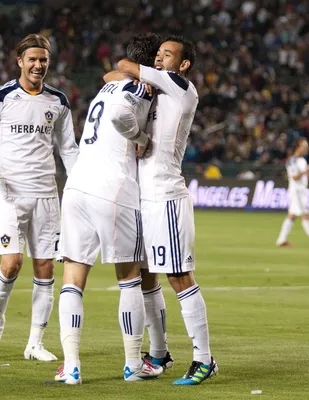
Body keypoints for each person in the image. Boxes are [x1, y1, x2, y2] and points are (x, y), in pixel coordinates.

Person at [54, 33, 164, 386]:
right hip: (114, 188)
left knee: (73, 277)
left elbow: (111, 78)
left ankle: (70, 366)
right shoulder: (142, 88)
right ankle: (133, 363)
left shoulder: (108, 86)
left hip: (76, 187)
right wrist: (143, 140)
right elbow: (121, 117)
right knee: (129, 277)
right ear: (150, 65)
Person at [109, 36, 218, 385]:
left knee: (178, 277)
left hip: (167, 197)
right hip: (144, 197)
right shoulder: (156, 89)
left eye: (166, 54)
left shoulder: (181, 88)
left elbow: (122, 67)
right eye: (157, 54)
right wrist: (136, 81)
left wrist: (136, 74)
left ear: (183, 65)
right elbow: (109, 77)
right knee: (145, 276)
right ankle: (159, 354)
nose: (159, 59)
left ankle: (204, 359)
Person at [0, 34, 79, 362]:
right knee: (12, 263)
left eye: (43, 59)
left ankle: (35, 343)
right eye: (32, 59)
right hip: (10, 193)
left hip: (46, 194)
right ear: (20, 61)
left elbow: (68, 149)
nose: (38, 65)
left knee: (45, 268)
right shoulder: (1, 96)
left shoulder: (58, 101)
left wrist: (79, 184)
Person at [276, 138, 309, 247]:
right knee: (305, 215)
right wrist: (305, 170)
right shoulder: (292, 161)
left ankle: (281, 240)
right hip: (296, 192)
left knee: (292, 216)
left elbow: (306, 176)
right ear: (298, 147)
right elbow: (294, 177)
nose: (306, 148)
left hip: (301, 191)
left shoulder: (302, 160)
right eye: (304, 146)